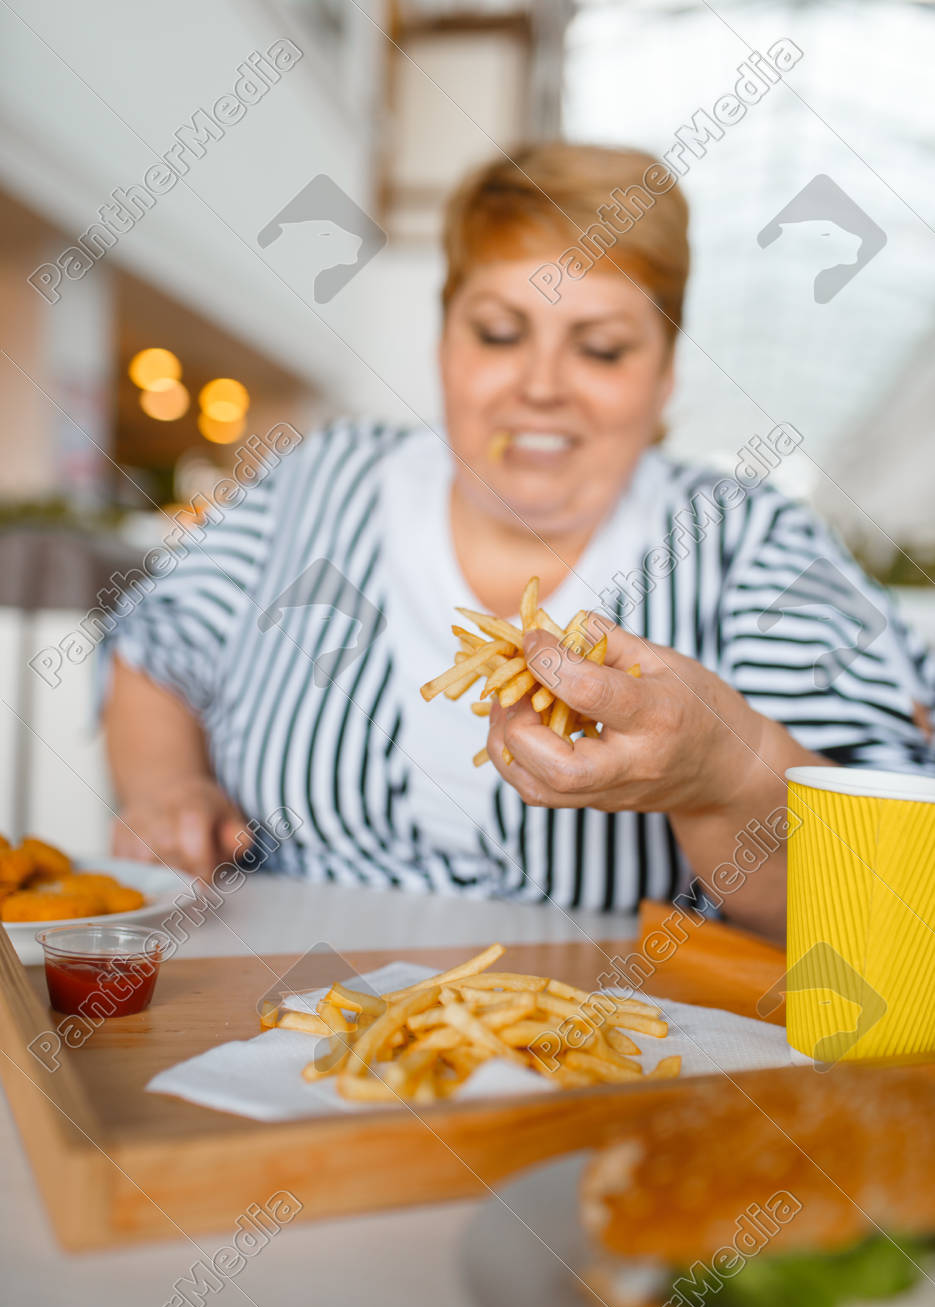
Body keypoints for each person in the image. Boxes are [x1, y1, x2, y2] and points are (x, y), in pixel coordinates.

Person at [102, 144, 933, 942]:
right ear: (443, 347)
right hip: (268, 1020)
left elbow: (884, 897)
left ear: (665, 375)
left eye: (601, 349)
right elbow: (157, 646)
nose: (540, 387)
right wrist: (168, 786)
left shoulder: (752, 541)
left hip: (603, 1054)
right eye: (499, 334)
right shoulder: (315, 480)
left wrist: (727, 775)